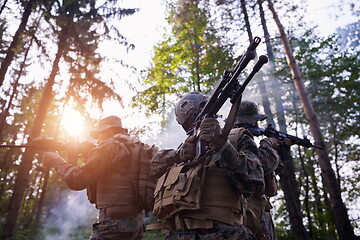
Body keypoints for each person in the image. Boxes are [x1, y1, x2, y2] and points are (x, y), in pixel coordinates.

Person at [149, 92, 264, 239]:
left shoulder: (235, 139)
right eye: (191, 119)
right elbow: (151, 170)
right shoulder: (183, 151)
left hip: (226, 234)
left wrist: (223, 145)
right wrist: (178, 155)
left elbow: (255, 183)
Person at [41, 115, 158, 240]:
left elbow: (77, 180)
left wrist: (56, 160)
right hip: (135, 225)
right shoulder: (136, 147)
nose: (97, 140)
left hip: (113, 225)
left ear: (108, 131)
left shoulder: (110, 147)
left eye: (99, 135)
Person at [229, 101, 290, 240]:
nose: (256, 125)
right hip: (248, 213)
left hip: (254, 211)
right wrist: (268, 145)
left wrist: (279, 150)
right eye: (254, 121)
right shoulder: (237, 138)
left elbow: (265, 175)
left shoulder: (235, 139)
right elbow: (260, 167)